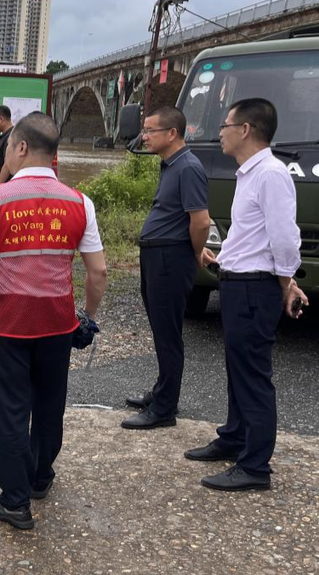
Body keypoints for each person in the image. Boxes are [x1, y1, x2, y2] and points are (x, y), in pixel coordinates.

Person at [0, 111, 108, 531]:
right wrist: (87, 319)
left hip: (7, 323)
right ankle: (40, 477)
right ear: (53, 153)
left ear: (19, 148)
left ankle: (15, 501)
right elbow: (98, 272)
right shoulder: (79, 202)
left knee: (11, 410)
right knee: (49, 403)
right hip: (57, 324)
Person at [186, 97, 307, 492]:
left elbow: (285, 236)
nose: (219, 132)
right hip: (239, 281)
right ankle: (235, 438)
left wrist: (286, 282)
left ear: (245, 130)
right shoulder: (249, 173)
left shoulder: (271, 174)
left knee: (253, 374)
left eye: (225, 124)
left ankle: (255, 466)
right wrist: (224, 257)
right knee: (238, 368)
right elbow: (254, 235)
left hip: (255, 287)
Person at [121, 106, 211, 429]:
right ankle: (161, 393)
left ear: (171, 134)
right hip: (158, 256)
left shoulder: (188, 167)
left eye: (150, 131)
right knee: (161, 331)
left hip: (171, 259)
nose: (144, 136)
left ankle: (164, 409)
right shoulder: (170, 165)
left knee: (168, 334)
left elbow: (200, 222)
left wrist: (196, 252)